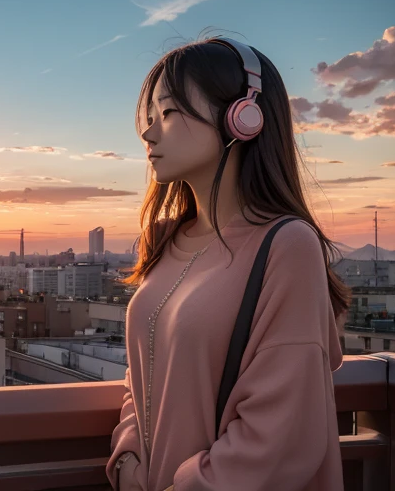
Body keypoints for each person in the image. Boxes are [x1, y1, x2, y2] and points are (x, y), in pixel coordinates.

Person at [107, 38, 349, 491]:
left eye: (170, 112)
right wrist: (127, 458)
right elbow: (140, 378)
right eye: (150, 117)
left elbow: (283, 429)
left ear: (243, 117)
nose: (148, 132)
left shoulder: (286, 245)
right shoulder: (166, 241)